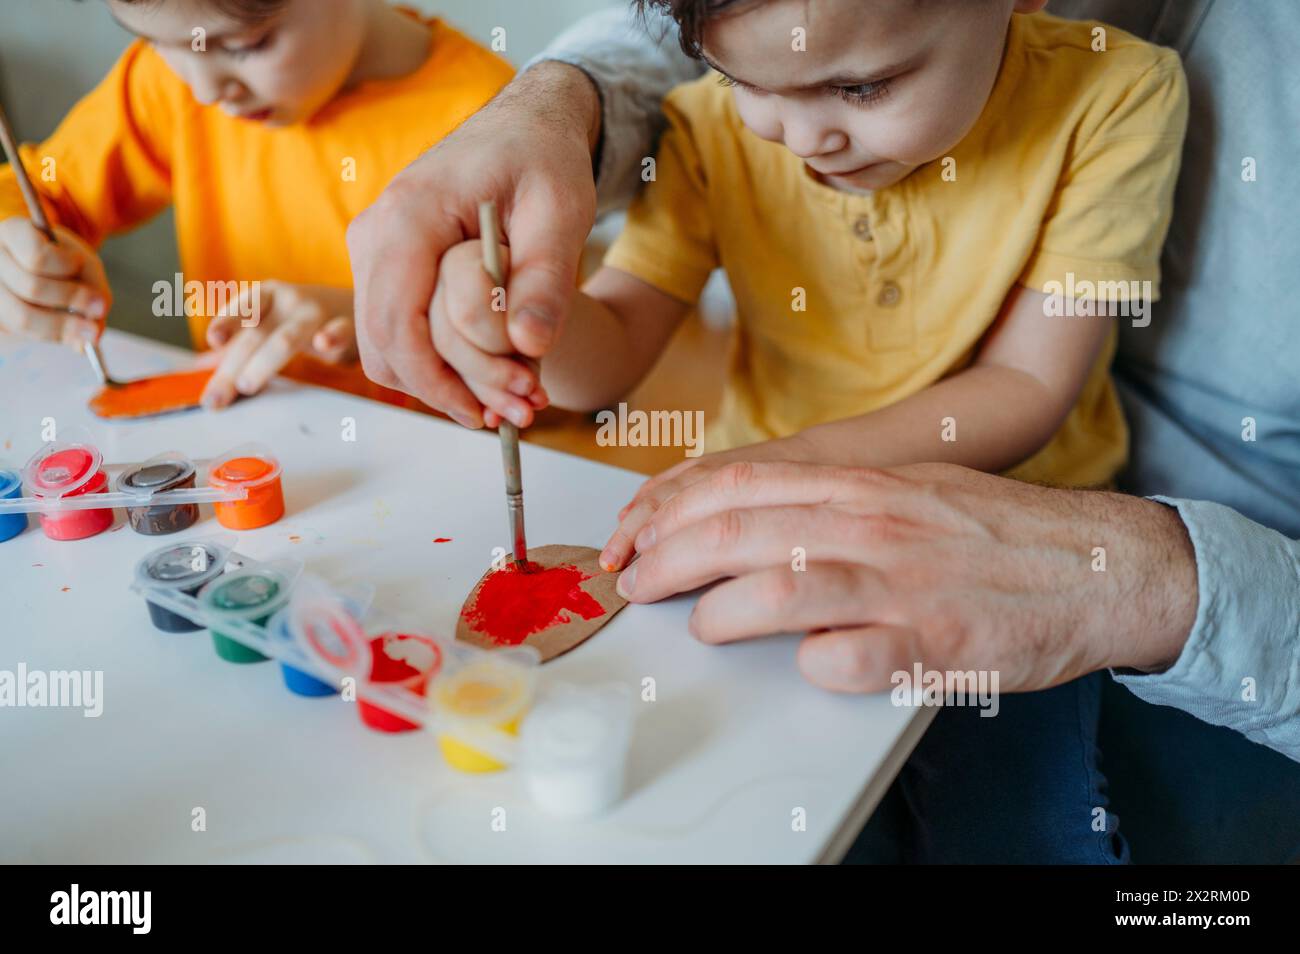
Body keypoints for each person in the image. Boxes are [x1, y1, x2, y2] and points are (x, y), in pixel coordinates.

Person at [347, 0, 1300, 860]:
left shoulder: (1114, 91)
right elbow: (620, 342)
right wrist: (523, 321)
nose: (802, 136)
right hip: (749, 543)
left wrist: (770, 473)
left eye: (862, 85)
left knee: (1016, 825)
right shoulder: (707, 131)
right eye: (747, 81)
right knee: (738, 803)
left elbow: (1025, 385)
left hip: (1018, 553)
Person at [0, 0, 513, 412]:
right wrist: (16, 250)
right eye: (156, 43)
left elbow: (539, 367)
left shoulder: (494, 123)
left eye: (246, 45)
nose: (203, 91)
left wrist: (369, 321)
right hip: (233, 436)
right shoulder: (166, 82)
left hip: (438, 466)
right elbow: (43, 193)